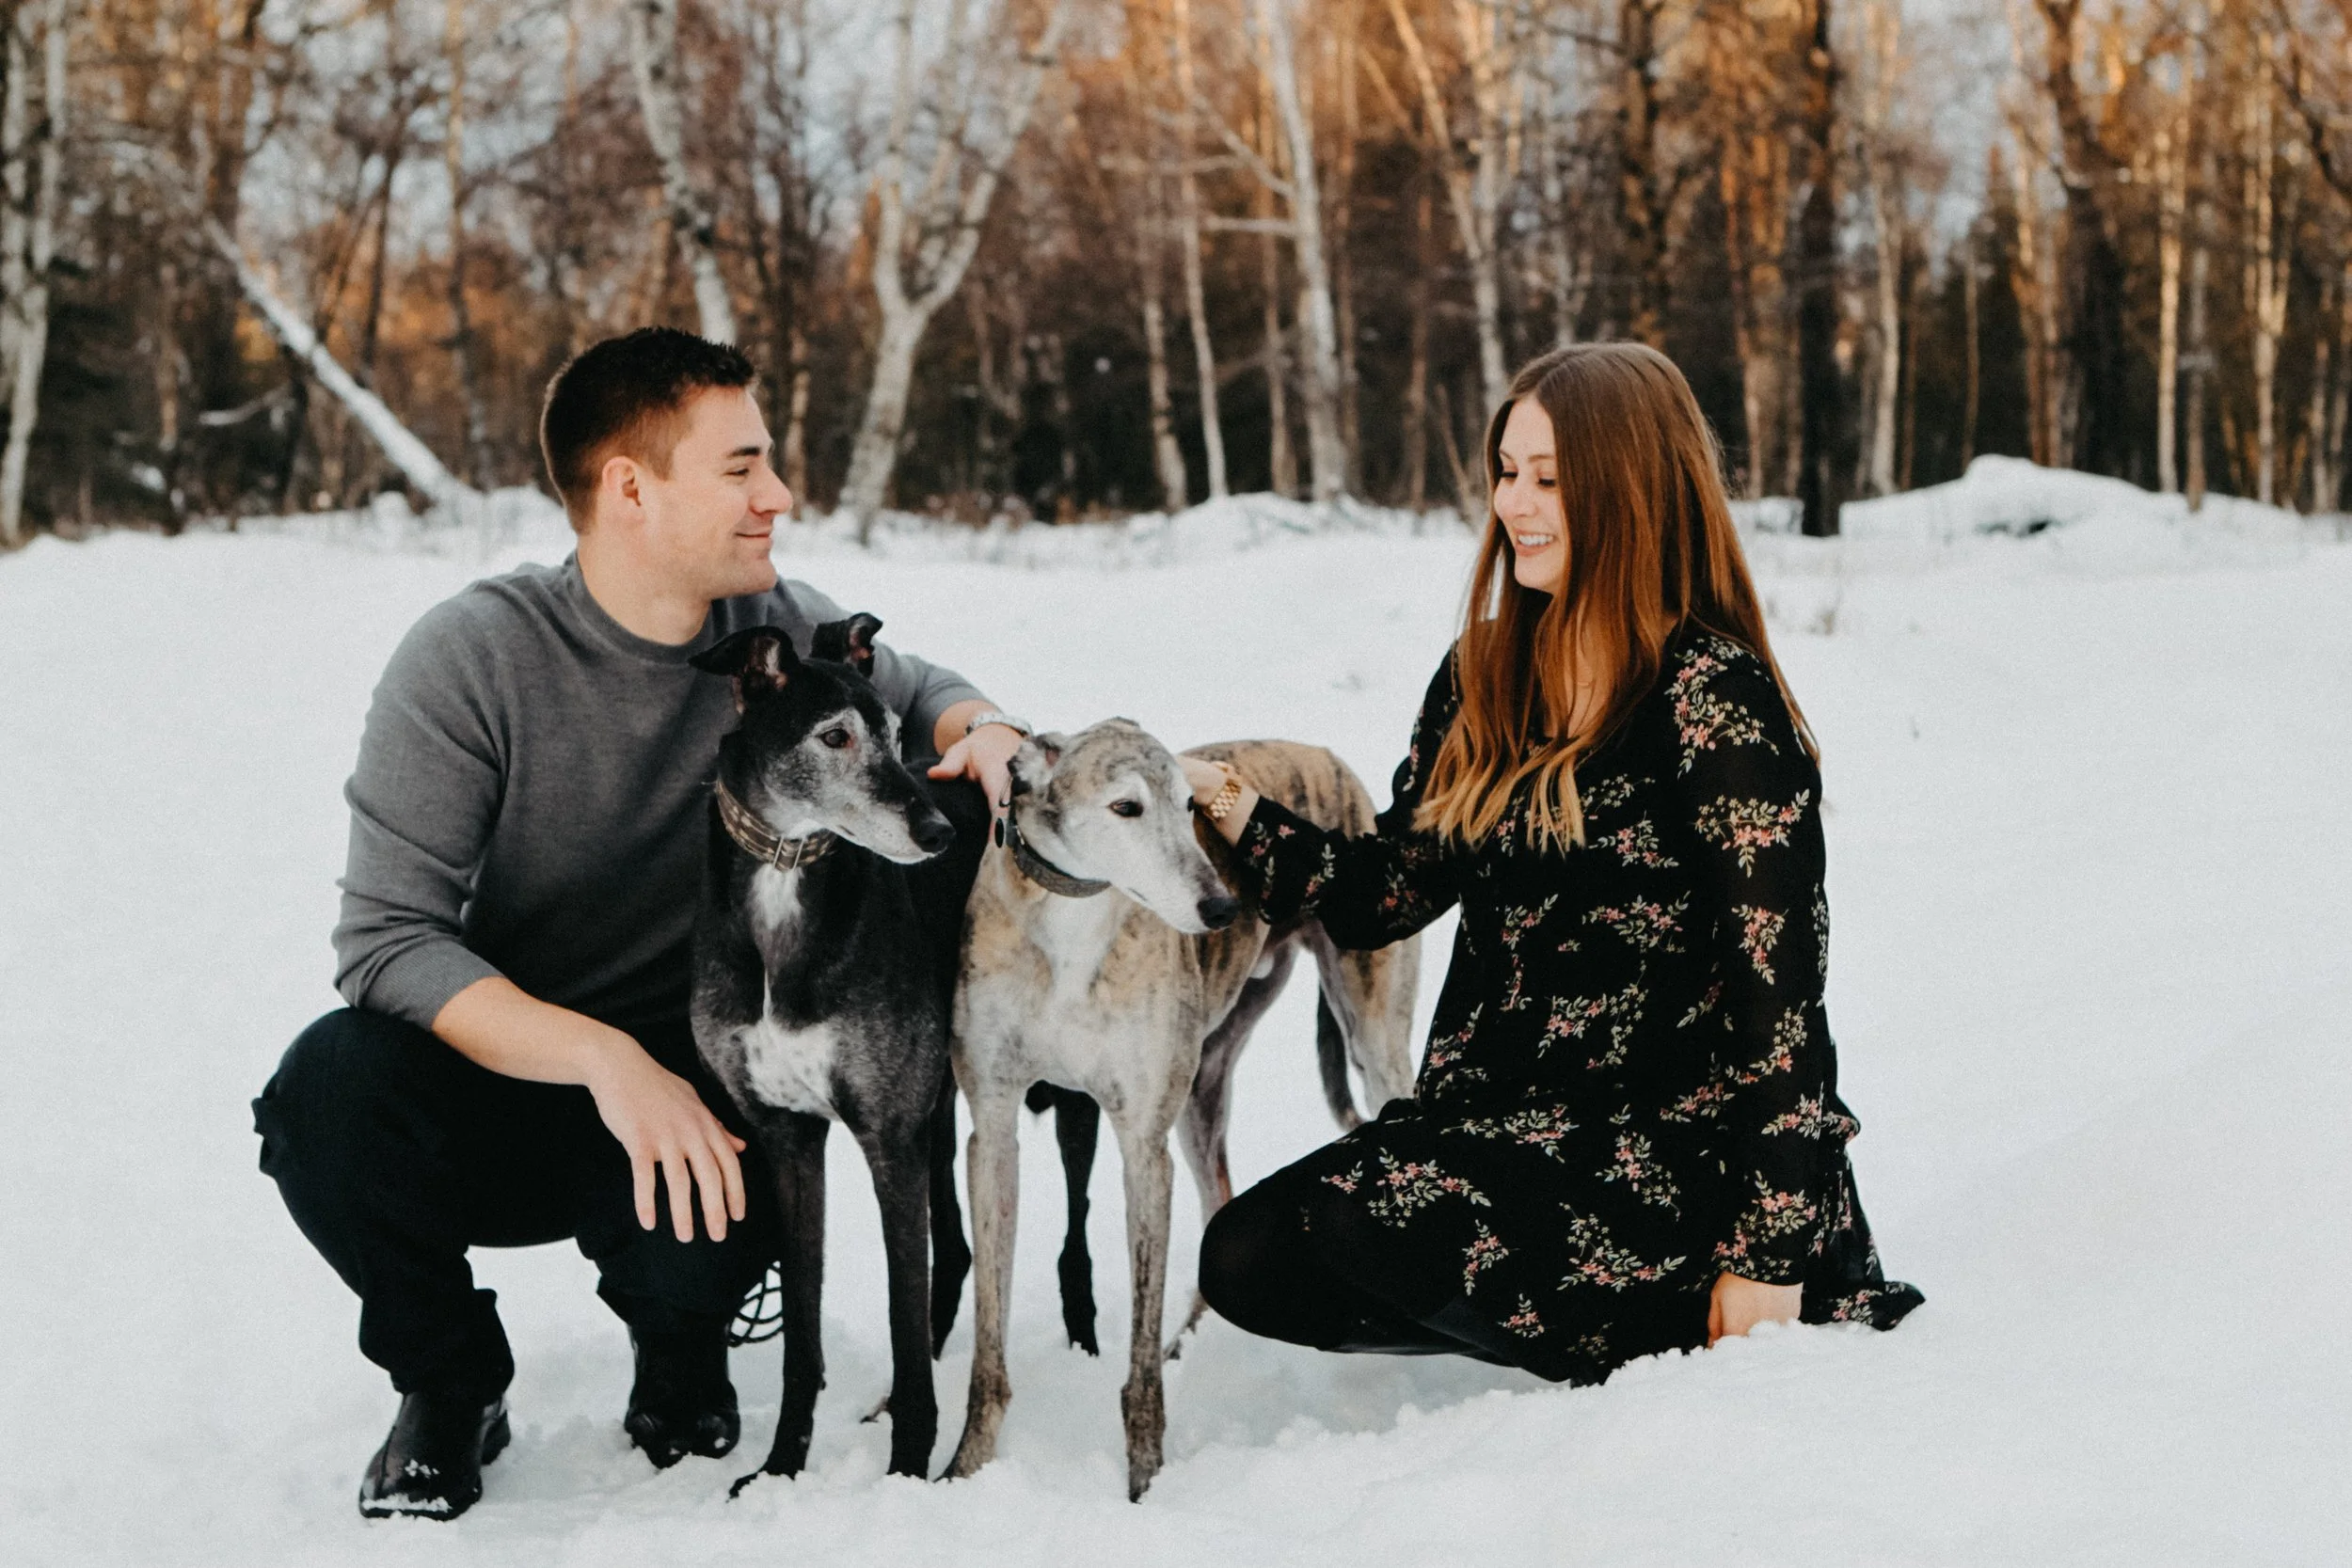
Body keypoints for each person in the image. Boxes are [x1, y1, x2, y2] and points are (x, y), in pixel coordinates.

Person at [250, 327, 1034, 1520]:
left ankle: (683, 1344)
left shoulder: (775, 620)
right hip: (513, 1062)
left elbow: (918, 692)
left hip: (711, 1066)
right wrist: (603, 1059)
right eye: (741, 467)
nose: (776, 495)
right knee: (325, 1093)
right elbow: (388, 940)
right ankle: (448, 1384)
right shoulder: (474, 658)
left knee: (730, 1189)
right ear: (629, 486)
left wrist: (981, 725)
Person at [1184, 342, 1922, 1386]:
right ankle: (1592, 1324)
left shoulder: (1713, 700)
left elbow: (1781, 1006)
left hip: (1673, 1157)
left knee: (1353, 1230)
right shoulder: (1486, 672)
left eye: (1549, 479)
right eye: (1505, 471)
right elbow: (1381, 891)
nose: (1513, 504)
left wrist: (1768, 1250)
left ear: (1628, 489)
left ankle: (1668, 1333)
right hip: (1506, 1130)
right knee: (1250, 1256)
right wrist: (1211, 793)